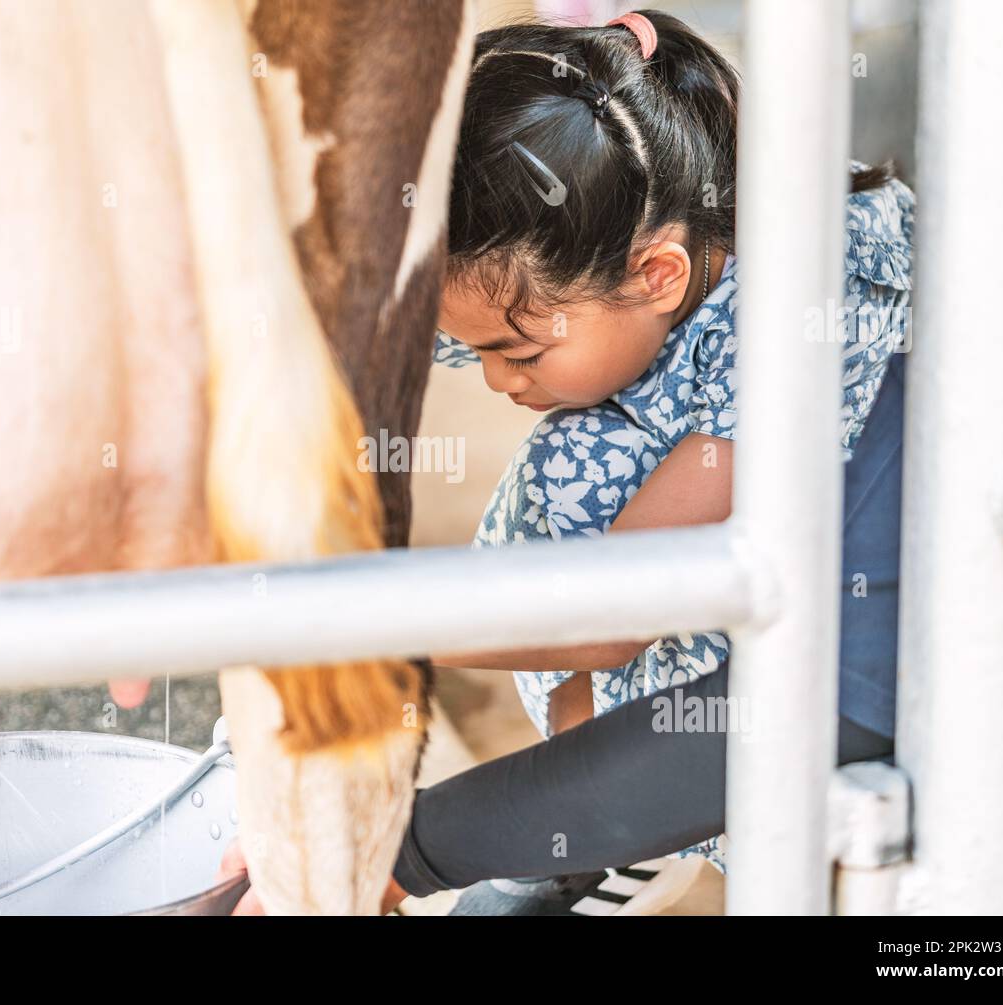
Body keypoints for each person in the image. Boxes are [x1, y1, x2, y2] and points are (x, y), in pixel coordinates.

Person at [223, 7, 914, 915]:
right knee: (570, 468)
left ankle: (611, 820)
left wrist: (352, 622)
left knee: (578, 501)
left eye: (519, 353)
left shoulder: (805, 318)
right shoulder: (635, 236)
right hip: (748, 548)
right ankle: (585, 835)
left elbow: (618, 606)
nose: (498, 381)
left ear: (657, 275)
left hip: (825, 619)